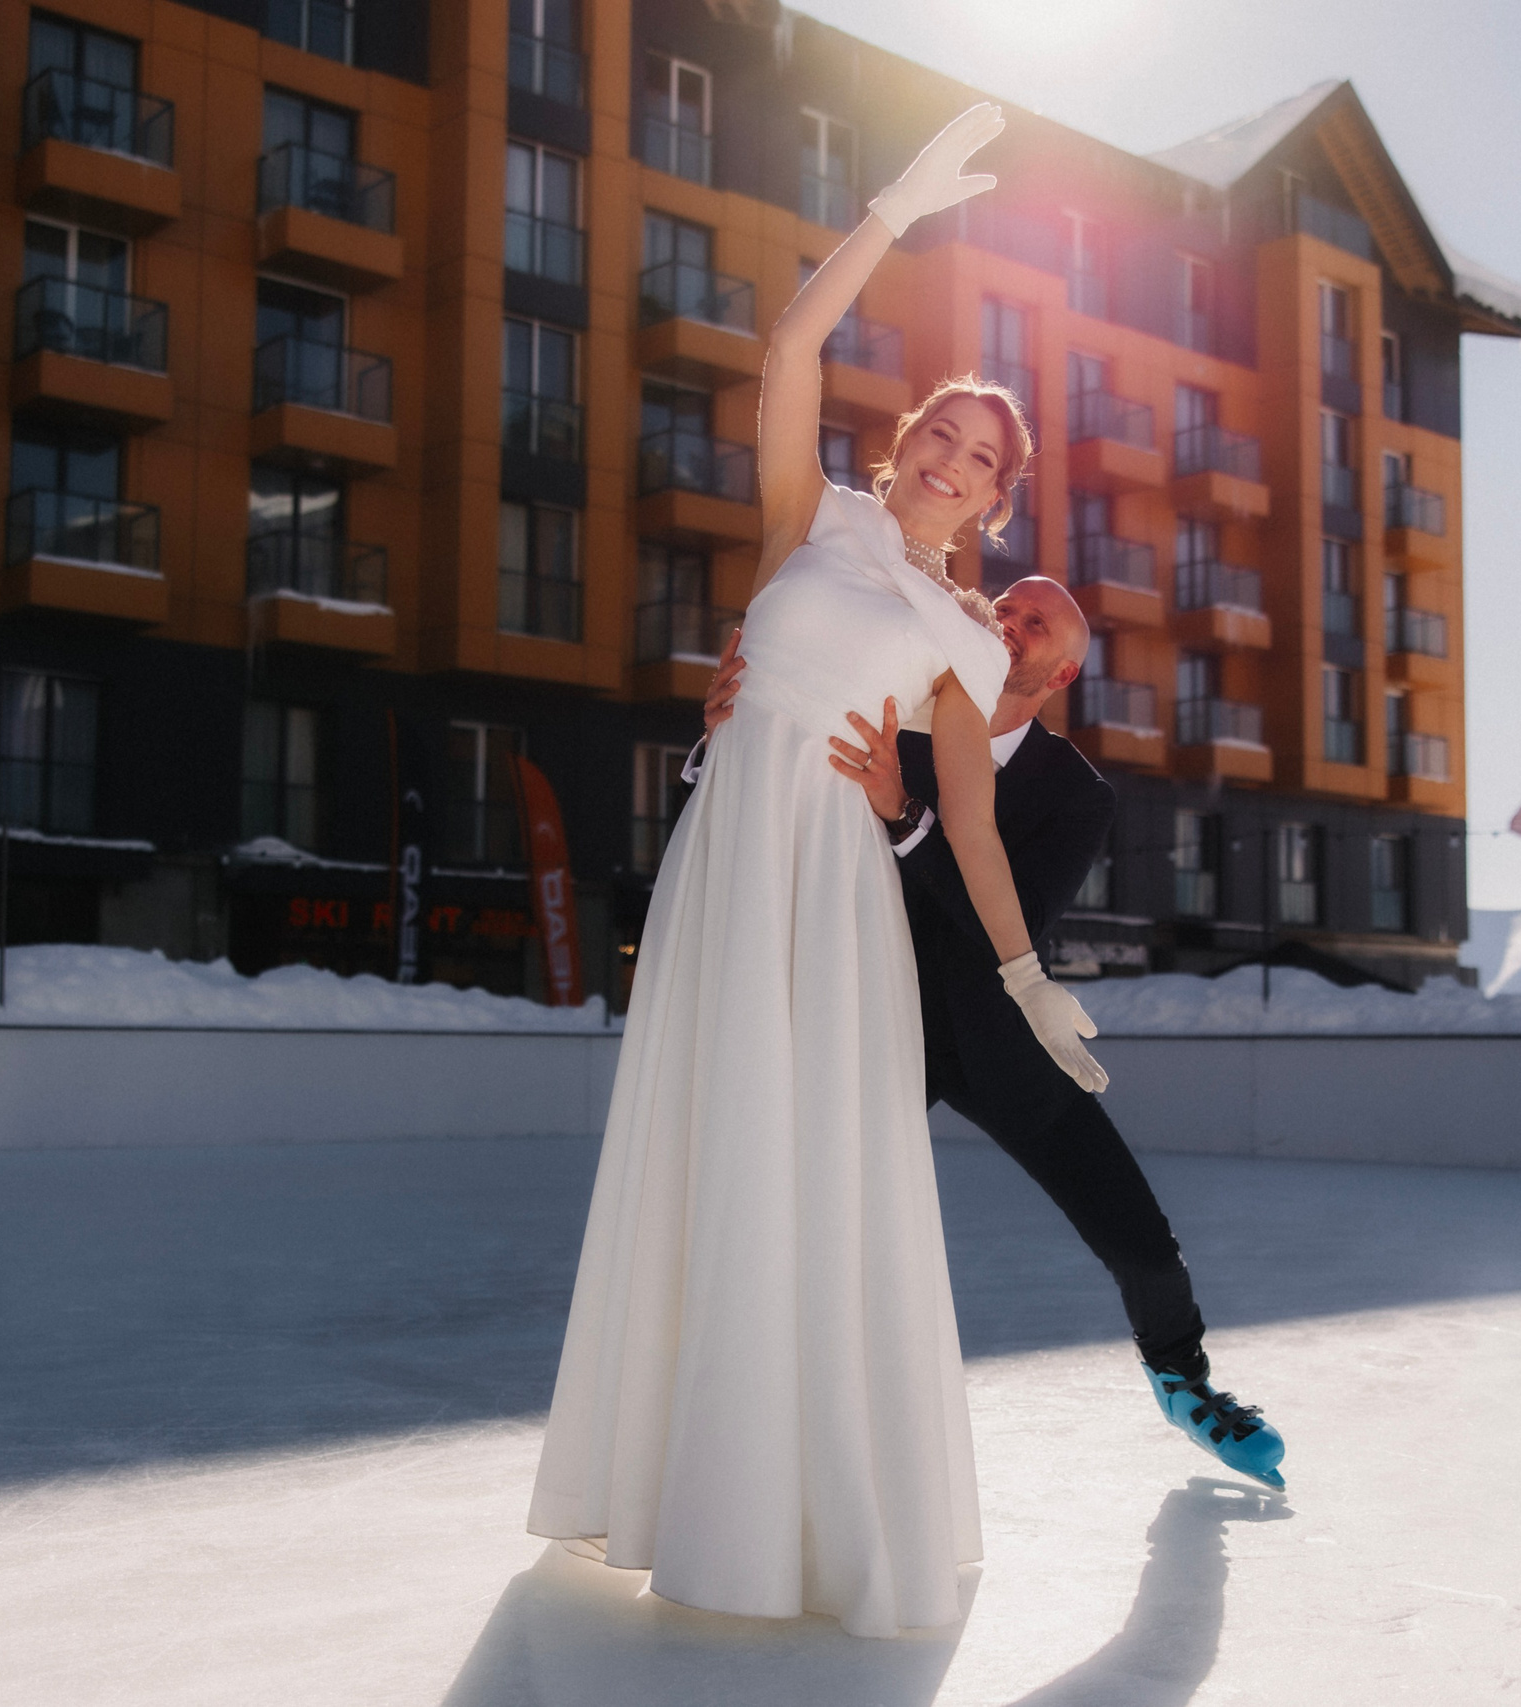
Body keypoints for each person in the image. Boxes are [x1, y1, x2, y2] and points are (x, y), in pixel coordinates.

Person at [527, 104, 1106, 1640]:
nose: (951, 459)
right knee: (712, 1158)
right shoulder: (816, 519)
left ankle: (815, 1519)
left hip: (829, 903)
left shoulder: (971, 640)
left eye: (983, 460)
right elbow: (786, 350)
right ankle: (679, 1494)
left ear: (996, 502)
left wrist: (1030, 980)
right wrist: (894, 212)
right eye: (942, 430)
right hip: (727, 867)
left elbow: (972, 825)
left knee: (815, 1179)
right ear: (908, 434)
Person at [691, 581, 1286, 1492]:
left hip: (1006, 1028)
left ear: (1063, 672)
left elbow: (1011, 917)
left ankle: (1184, 1380)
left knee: (1138, 1233)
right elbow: (779, 806)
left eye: (1033, 622)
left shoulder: (1076, 794)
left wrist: (903, 814)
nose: (1007, 622)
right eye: (1002, 607)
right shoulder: (895, 714)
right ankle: (740, 1419)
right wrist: (719, 739)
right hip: (874, 1015)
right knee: (797, 1209)